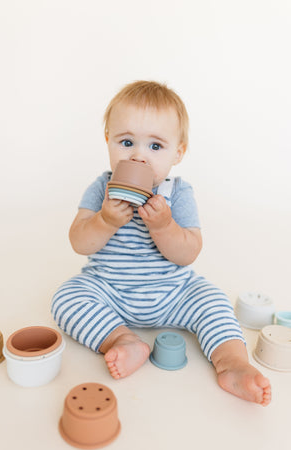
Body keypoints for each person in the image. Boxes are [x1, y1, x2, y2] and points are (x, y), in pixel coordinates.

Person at [51, 80, 271, 406]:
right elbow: (79, 242)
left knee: (213, 301)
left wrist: (165, 225)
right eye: (127, 142)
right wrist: (105, 220)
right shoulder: (101, 189)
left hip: (173, 294)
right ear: (108, 141)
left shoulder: (178, 193)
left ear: (178, 152)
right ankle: (123, 339)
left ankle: (232, 364)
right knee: (65, 298)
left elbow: (189, 252)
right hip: (109, 291)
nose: (139, 156)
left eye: (155, 147)